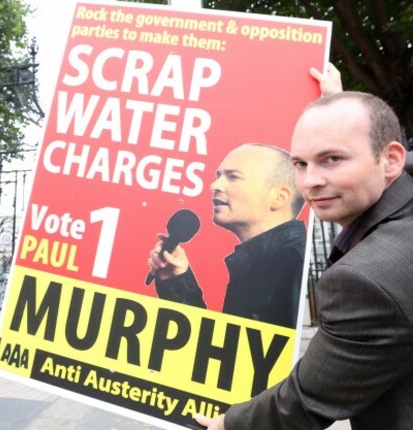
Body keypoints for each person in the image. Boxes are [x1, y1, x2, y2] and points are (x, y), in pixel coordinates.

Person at [196, 91, 413, 429]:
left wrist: (229, 424)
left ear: (391, 159)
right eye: (300, 164)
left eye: (332, 159)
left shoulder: (367, 279)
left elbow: (306, 401)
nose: (310, 181)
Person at [149, 143, 307, 328]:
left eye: (233, 177)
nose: (214, 185)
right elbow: (223, 348)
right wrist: (176, 279)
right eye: (218, 176)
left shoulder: (295, 265)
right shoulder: (262, 262)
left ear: (279, 197)